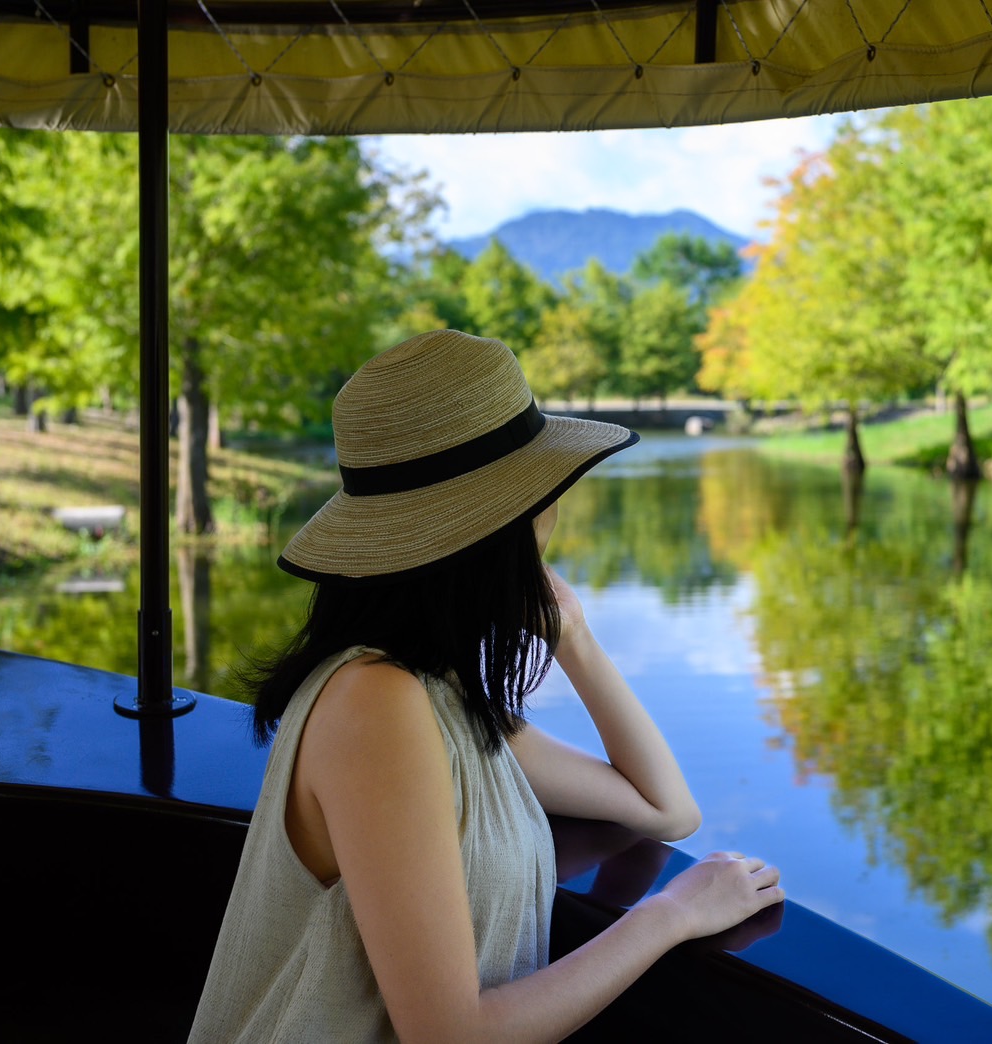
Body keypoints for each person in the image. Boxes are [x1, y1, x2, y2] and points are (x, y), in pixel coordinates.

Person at [189, 330, 784, 1042]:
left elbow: (664, 810)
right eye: (546, 493)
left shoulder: (439, 694)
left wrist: (577, 642)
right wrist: (669, 915)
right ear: (502, 525)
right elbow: (451, 1035)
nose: (553, 519)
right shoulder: (376, 704)